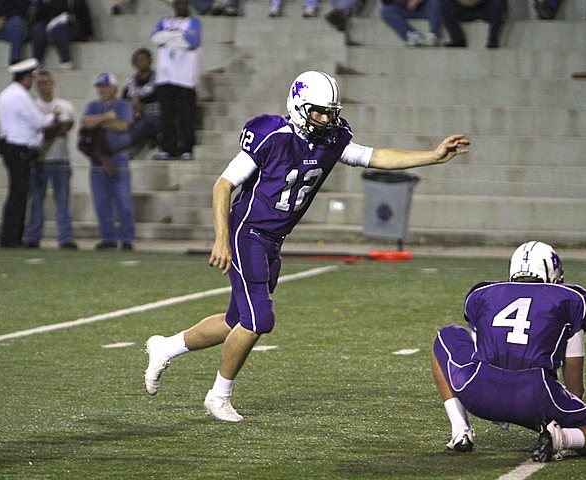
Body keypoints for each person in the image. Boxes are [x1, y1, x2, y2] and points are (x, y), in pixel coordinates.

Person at [143, 70, 470, 422]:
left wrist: (433, 156)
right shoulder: (271, 134)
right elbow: (223, 186)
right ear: (299, 106)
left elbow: (377, 157)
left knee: (237, 320)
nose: (327, 119)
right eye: (320, 112)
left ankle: (167, 346)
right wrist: (221, 238)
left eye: (332, 112)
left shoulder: (333, 139)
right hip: (247, 233)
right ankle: (217, 396)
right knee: (258, 320)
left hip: (273, 240)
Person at [432, 241, 586, 461]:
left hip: (480, 392)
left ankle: (460, 430)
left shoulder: (482, 294)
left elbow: (482, 351)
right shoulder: (572, 300)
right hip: (536, 396)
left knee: (446, 335)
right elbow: (575, 389)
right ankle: (561, 438)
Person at [0, 58, 59, 248]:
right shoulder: (21, 96)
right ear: (27, 78)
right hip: (20, 150)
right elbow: (38, 122)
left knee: (15, 194)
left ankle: (10, 236)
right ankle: (12, 238)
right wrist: (52, 117)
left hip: (8, 146)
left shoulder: (5, 94)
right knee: (19, 195)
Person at [80, 72, 135, 250]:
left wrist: (97, 123)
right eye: (100, 87)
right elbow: (84, 122)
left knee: (123, 202)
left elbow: (123, 125)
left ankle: (126, 238)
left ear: (114, 88)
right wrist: (106, 119)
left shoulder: (123, 105)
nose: (102, 90)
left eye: (106, 86)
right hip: (98, 161)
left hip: (118, 159)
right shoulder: (93, 105)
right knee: (101, 203)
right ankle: (108, 238)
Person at [22, 69, 77, 250]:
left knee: (62, 201)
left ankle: (65, 238)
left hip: (60, 159)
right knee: (36, 200)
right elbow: (37, 130)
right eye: (40, 83)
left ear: (52, 84)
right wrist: (51, 127)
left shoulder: (65, 105)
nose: (44, 86)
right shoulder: (32, 106)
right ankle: (33, 236)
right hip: (40, 159)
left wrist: (47, 128)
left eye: (46, 82)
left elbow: (66, 126)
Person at [150, 0, 201, 161]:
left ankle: (186, 149)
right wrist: (179, 36)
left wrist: (168, 37)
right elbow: (155, 38)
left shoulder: (193, 22)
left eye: (184, 3)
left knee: (186, 116)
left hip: (185, 77)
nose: (181, 6)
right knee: (166, 115)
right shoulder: (164, 21)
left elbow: (192, 42)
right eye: (178, 3)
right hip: (165, 77)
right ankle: (167, 148)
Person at [31, 0, 94, 69]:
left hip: (68, 26)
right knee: (38, 28)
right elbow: (39, 17)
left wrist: (89, 34)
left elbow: (83, 16)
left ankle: (66, 61)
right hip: (49, 25)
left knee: (58, 30)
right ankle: (36, 62)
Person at [120, 47, 161, 153]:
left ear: (150, 61)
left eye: (144, 59)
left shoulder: (160, 80)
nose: (141, 62)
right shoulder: (129, 84)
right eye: (138, 59)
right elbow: (123, 102)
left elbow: (159, 97)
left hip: (155, 117)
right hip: (135, 116)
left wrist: (142, 102)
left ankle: (122, 145)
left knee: (146, 122)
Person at [440, 0, 506, 49]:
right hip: (463, 8)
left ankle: (493, 40)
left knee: (498, 2)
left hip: (484, 8)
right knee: (445, 4)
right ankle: (457, 39)